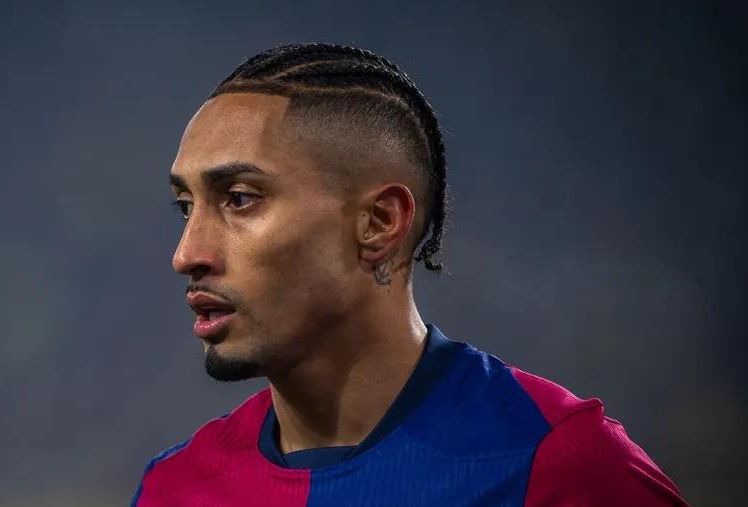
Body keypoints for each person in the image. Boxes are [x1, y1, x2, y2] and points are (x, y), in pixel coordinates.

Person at [130, 43, 687, 506]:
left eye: (239, 198)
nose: (187, 254)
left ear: (379, 222)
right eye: (186, 207)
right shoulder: (173, 490)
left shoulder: (556, 463)